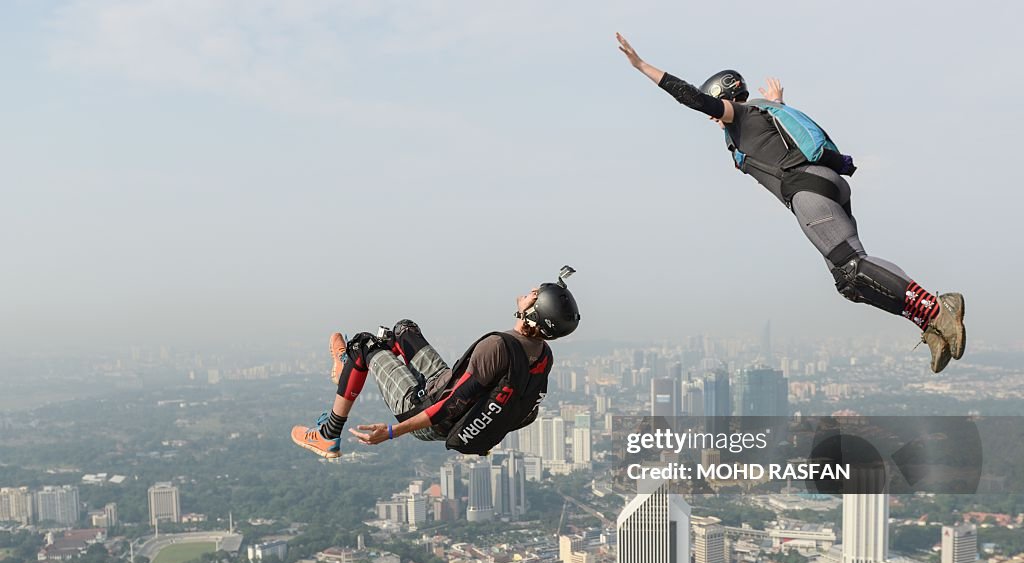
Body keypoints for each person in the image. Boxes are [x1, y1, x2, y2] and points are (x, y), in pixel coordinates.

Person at [615, 34, 966, 373]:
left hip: (806, 191)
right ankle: (929, 322)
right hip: (825, 186)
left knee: (853, 266)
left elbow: (690, 97)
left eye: (714, 107)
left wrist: (641, 65)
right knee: (849, 283)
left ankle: (937, 310)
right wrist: (779, 102)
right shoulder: (763, 113)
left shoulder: (741, 115)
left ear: (724, 97)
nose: (710, 117)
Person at [290, 267, 581, 458]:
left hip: (425, 409)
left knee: (364, 344)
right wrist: (485, 428)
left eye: (535, 294)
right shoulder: (542, 355)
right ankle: (351, 370)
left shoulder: (497, 348)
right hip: (443, 386)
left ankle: (329, 434)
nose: (530, 291)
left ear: (533, 312)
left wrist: (391, 432)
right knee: (404, 329)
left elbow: (448, 405)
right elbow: (523, 410)